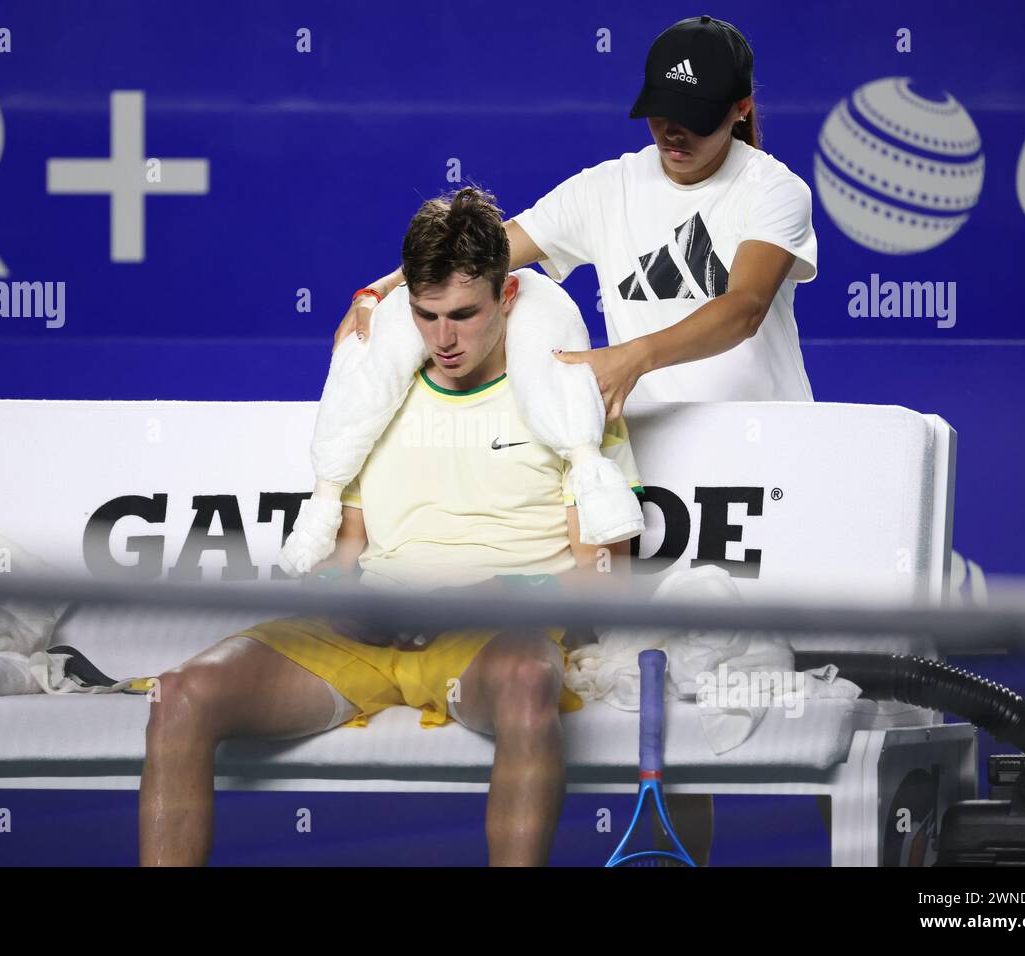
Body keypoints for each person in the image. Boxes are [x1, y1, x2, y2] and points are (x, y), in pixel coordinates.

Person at [140, 187, 712, 866]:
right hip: (368, 629)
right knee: (182, 694)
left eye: (465, 315)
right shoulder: (372, 388)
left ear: (508, 297)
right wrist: (341, 592)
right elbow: (345, 549)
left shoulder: (571, 397)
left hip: (492, 640)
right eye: (426, 314)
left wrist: (497, 596)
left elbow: (604, 580)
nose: (444, 338)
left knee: (531, 681)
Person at [336, 15, 818, 422]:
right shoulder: (606, 188)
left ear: (741, 109)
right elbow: (478, 256)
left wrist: (630, 359)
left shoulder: (774, 190)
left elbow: (745, 308)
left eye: (697, 117)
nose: (673, 132)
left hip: (768, 435)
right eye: (661, 112)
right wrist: (377, 292)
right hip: (654, 445)